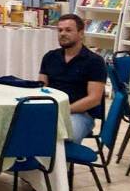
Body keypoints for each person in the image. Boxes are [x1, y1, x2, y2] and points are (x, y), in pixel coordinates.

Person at [39, 14, 106, 143]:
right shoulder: (50, 57)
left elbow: (94, 99)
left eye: (68, 30)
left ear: (81, 34)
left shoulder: (95, 61)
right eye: (60, 30)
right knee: (25, 129)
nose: (63, 34)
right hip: (52, 109)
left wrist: (64, 110)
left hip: (80, 114)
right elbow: (41, 86)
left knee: (63, 136)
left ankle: (62, 157)